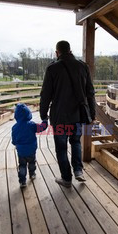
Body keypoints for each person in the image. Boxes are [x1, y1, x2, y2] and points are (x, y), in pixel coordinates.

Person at [40, 40, 96, 188]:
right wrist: (93, 113)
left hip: (59, 117)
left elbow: (46, 94)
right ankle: (78, 171)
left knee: (61, 148)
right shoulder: (83, 66)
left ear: (57, 52)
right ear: (70, 50)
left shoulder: (52, 69)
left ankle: (66, 179)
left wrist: (43, 114)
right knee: (76, 142)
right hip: (78, 115)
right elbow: (90, 93)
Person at [12, 103, 48, 188]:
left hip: (21, 151)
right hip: (31, 149)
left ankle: (22, 181)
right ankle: (32, 174)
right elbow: (41, 128)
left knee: (22, 165)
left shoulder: (15, 127)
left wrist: (15, 144)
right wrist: (45, 121)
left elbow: (14, 139)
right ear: (28, 114)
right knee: (32, 162)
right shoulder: (31, 125)